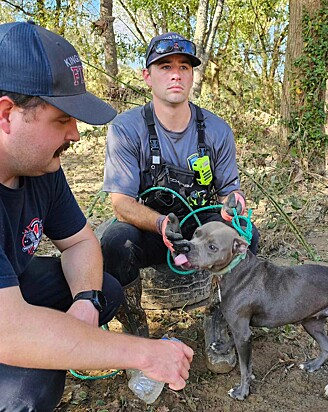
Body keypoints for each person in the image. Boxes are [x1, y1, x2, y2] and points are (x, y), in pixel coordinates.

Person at [0, 22, 193, 411]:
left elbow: (79, 241)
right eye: (62, 119)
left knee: (106, 289)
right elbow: (8, 329)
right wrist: (145, 355)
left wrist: (86, 299)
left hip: (11, 286)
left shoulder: (41, 169)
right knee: (30, 388)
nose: (75, 133)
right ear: (7, 114)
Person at [101, 32, 260, 373]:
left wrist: (233, 204)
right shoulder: (126, 129)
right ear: (147, 75)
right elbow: (121, 203)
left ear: (192, 75)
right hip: (153, 227)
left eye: (184, 67)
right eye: (165, 66)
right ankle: (137, 337)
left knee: (249, 240)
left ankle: (219, 322)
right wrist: (160, 224)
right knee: (115, 243)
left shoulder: (217, 130)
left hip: (202, 227)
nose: (176, 74)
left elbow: (230, 190)